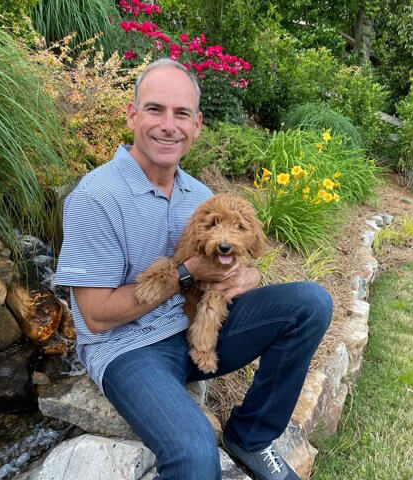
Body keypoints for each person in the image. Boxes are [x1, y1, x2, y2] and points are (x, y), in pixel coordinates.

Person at [55, 58, 333, 480]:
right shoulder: (95, 198)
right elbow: (95, 317)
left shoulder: (200, 194)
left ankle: (251, 436)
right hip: (129, 349)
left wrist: (247, 276)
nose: (169, 125)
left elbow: (237, 256)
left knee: (310, 303)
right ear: (132, 114)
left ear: (197, 124)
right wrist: (187, 271)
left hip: (198, 324)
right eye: (155, 109)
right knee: (195, 453)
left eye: (181, 113)